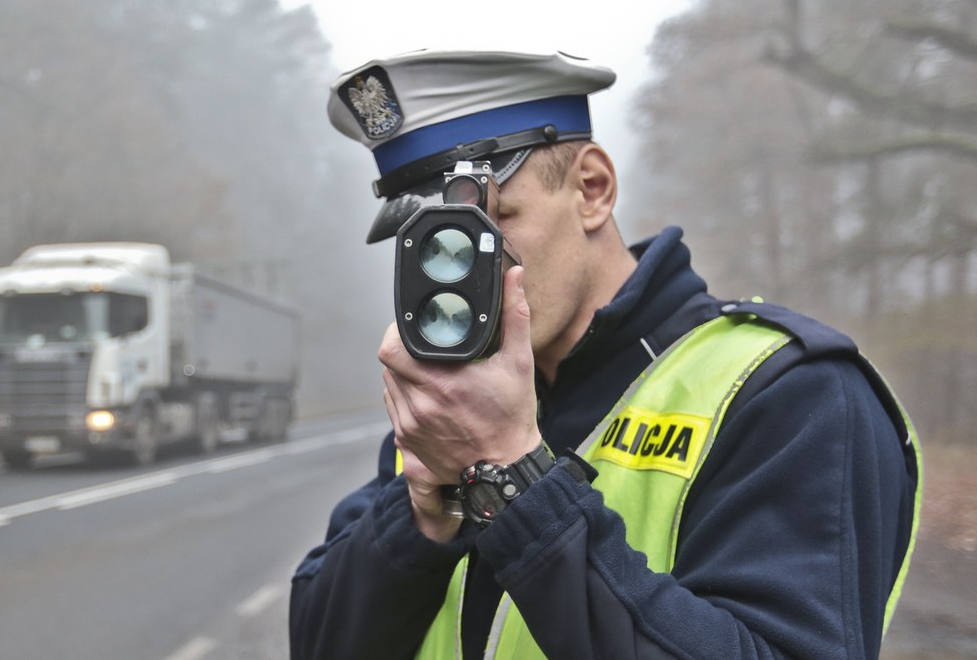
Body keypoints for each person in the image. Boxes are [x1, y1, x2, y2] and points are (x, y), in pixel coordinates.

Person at [290, 49, 922, 659]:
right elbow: (320, 644)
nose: (453, 282)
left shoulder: (788, 393)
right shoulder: (449, 406)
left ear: (591, 188)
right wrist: (422, 514)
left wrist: (515, 480)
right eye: (428, 247)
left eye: (481, 229)